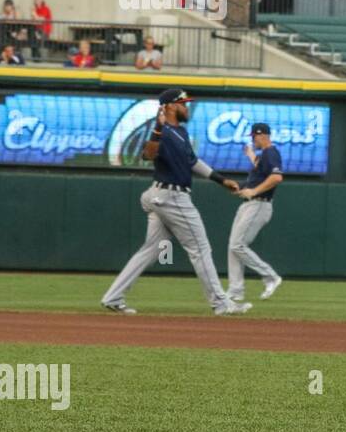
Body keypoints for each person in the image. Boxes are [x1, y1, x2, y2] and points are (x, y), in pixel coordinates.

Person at [101, 88, 251, 316]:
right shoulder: (163, 131)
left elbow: (193, 161)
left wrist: (221, 180)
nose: (186, 106)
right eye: (182, 103)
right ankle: (221, 303)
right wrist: (159, 128)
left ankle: (113, 297)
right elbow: (148, 155)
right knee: (200, 248)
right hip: (171, 197)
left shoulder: (180, 131)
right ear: (170, 106)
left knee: (151, 250)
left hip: (161, 196)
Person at [226, 122, 284, 303]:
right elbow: (260, 170)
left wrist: (253, 191)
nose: (253, 140)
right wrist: (242, 187)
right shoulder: (264, 156)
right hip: (249, 204)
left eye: (254, 136)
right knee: (233, 247)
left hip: (259, 204)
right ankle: (235, 291)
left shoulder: (271, 152)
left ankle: (270, 276)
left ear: (262, 135)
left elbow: (276, 177)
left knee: (237, 245)